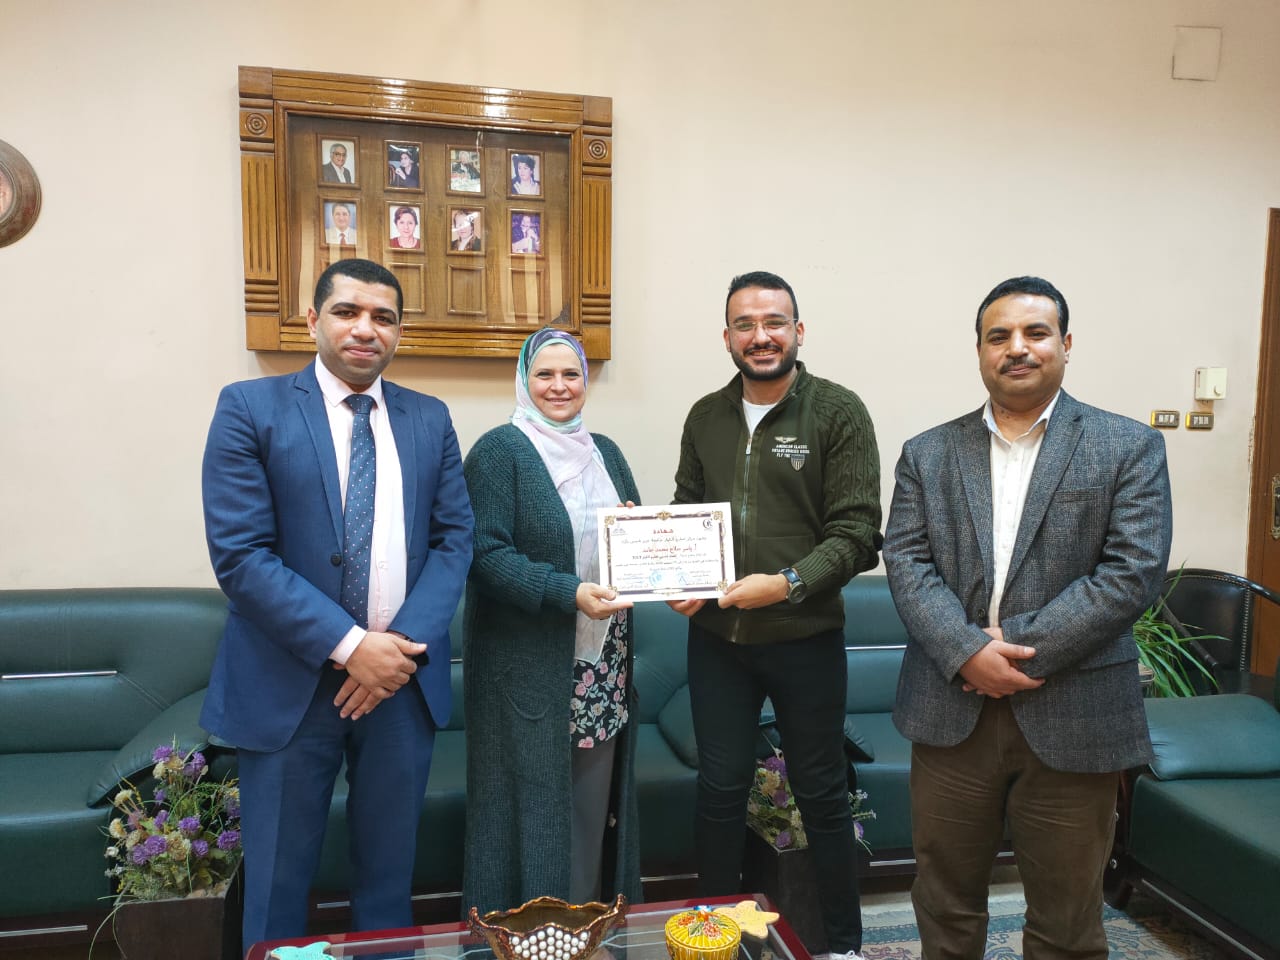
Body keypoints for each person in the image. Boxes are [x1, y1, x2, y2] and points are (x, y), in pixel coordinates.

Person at [882, 276, 1173, 960]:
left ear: (1066, 344)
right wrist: (965, 652)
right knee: (945, 908)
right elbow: (905, 559)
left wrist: (1010, 647)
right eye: (999, 336)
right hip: (951, 712)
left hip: (1077, 710)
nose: (1017, 348)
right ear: (980, 352)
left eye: (1035, 333)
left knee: (1068, 921)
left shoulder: (1127, 445)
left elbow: (1132, 570)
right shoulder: (928, 452)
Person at [200, 258, 474, 946]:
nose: (365, 329)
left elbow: (453, 541)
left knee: (389, 879)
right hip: (287, 684)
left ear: (399, 332)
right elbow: (241, 555)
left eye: (383, 317)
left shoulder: (429, 417)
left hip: (400, 685)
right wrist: (353, 648)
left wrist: (395, 652)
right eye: (347, 311)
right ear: (312, 320)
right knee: (277, 886)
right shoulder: (249, 407)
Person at [669, 271, 882, 960]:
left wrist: (787, 585)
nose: (760, 336)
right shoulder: (705, 416)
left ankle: (842, 946)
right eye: (745, 324)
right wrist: (673, 572)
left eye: (774, 322)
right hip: (718, 641)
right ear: (727, 336)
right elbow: (688, 509)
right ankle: (710, 939)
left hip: (805, 638)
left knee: (822, 794)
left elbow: (858, 534)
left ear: (798, 330)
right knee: (719, 790)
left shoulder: (838, 412)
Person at [461, 327, 642, 916]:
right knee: (526, 815)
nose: (558, 386)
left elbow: (637, 538)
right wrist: (568, 592)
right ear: (523, 379)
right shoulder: (499, 452)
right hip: (526, 671)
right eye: (544, 374)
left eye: (571, 374)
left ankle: (583, 931)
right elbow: (484, 555)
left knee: (591, 809)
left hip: (601, 668)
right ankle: (521, 937)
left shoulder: (606, 452)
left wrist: (654, 560)